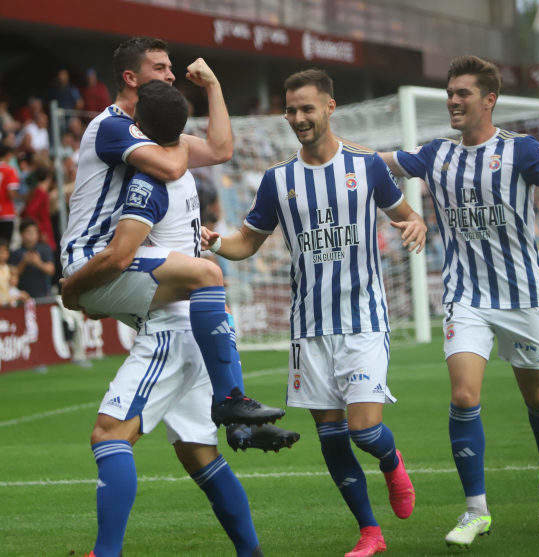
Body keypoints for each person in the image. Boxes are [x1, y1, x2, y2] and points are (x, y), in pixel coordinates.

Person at [376, 55, 539, 546]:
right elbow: (379, 161)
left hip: (521, 296)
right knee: (463, 395)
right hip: (465, 296)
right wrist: (329, 142)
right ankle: (475, 510)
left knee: (538, 399)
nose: (453, 101)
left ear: (489, 100)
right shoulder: (436, 154)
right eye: (450, 93)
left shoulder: (519, 150)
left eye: (463, 94)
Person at [201, 69, 426, 557]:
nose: (298, 118)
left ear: (329, 107)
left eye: (307, 108)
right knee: (332, 438)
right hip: (308, 329)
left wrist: (416, 227)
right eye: (291, 110)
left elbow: (408, 216)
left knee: (365, 430)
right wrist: (218, 242)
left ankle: (391, 463)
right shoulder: (278, 180)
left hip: (364, 319)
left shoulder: (366, 168)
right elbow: (247, 243)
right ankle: (370, 532)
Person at [75, 81, 264, 557]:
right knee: (198, 455)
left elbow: (121, 256)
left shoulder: (147, 181)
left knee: (109, 434)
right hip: (201, 325)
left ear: (137, 126)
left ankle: (106, 552)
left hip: (173, 328)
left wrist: (74, 288)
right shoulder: (186, 170)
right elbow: (220, 147)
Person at [58, 36, 281, 427]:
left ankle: (233, 418)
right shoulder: (111, 126)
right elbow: (172, 167)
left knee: (194, 325)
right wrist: (175, 135)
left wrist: (213, 86)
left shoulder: (152, 134)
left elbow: (219, 150)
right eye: (159, 68)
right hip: (92, 255)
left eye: (169, 67)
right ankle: (231, 401)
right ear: (131, 77)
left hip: (120, 257)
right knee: (205, 276)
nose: (171, 74)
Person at [10, 221, 54, 299]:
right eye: (29, 232)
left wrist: (38, 263)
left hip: (43, 295)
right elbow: (12, 275)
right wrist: (24, 262)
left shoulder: (45, 249)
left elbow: (51, 270)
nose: (32, 235)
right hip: (23, 296)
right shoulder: (15, 253)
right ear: (21, 234)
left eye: (35, 231)